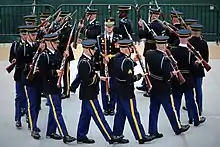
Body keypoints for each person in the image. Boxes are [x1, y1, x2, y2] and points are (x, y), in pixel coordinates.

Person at [76, 39, 125, 144]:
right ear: (87, 49)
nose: (94, 51)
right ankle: (110, 137)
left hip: (89, 94)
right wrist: (97, 77)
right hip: (89, 94)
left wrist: (99, 77)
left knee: (85, 115)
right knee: (99, 117)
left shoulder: (89, 59)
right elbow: (87, 81)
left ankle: (81, 135)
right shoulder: (84, 63)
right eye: (93, 49)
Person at [145, 35, 190, 138]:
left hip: (153, 85)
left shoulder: (149, 54)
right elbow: (167, 76)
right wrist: (173, 73)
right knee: (170, 109)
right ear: (165, 45)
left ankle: (153, 131)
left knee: (153, 109)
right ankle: (177, 128)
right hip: (164, 87)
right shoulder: (164, 59)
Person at [112, 39, 155, 144]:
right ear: (127, 48)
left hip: (119, 89)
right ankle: (141, 136)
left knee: (120, 113)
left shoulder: (116, 58)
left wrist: (133, 61)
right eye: (130, 48)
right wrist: (140, 76)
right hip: (127, 90)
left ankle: (117, 134)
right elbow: (129, 78)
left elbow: (121, 70)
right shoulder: (126, 61)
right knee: (133, 114)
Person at [38, 33, 76, 143]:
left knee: (53, 110)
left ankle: (50, 132)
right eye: (55, 42)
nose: (57, 44)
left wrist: (65, 56)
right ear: (49, 43)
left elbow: (61, 64)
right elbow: (42, 73)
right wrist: (54, 72)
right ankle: (65, 134)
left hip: (57, 86)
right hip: (50, 87)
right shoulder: (44, 56)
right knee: (57, 111)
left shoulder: (57, 52)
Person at [171, 29, 206, 126]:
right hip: (188, 78)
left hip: (177, 79)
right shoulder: (190, 52)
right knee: (191, 100)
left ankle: (177, 121)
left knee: (176, 102)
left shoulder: (173, 50)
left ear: (179, 38)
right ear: (188, 38)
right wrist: (197, 64)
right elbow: (193, 69)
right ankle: (195, 119)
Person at [16, 25, 41, 139]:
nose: (35, 37)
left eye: (36, 34)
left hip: (37, 79)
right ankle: (33, 126)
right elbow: (19, 64)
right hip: (27, 79)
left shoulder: (37, 47)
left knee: (37, 105)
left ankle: (34, 121)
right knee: (32, 104)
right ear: (28, 35)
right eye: (33, 35)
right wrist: (29, 66)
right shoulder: (23, 48)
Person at [70, 9, 101, 93]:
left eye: (89, 15)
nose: (87, 17)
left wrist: (82, 28)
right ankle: (73, 86)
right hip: (87, 49)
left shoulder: (96, 24)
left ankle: (74, 86)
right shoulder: (90, 24)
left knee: (90, 68)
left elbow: (91, 34)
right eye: (87, 15)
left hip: (92, 50)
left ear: (93, 15)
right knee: (83, 68)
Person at [137, 8, 165, 97]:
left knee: (149, 70)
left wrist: (141, 27)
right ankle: (145, 84)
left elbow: (141, 35)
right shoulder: (161, 25)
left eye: (154, 14)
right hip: (157, 49)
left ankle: (150, 88)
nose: (154, 16)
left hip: (150, 49)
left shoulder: (152, 25)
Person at [98, 17, 122, 116]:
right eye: (107, 27)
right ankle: (105, 107)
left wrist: (110, 57)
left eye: (110, 27)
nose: (109, 29)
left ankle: (112, 107)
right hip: (104, 65)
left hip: (114, 65)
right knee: (104, 87)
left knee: (114, 86)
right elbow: (98, 50)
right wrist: (103, 57)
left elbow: (119, 52)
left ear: (113, 27)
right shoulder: (100, 38)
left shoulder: (118, 37)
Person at [188, 24, 209, 117]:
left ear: (191, 31)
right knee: (198, 91)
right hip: (199, 70)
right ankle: (199, 109)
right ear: (199, 32)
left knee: (189, 92)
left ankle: (191, 111)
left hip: (189, 70)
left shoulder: (187, 42)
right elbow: (206, 59)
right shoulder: (204, 43)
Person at [9, 26, 27, 128]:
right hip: (19, 74)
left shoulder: (31, 46)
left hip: (28, 75)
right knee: (19, 97)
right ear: (20, 34)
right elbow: (11, 57)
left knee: (28, 97)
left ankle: (27, 114)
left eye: (26, 34)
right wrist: (13, 61)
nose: (24, 36)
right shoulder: (15, 45)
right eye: (23, 34)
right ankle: (18, 118)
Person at [57, 11, 75, 99]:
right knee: (58, 71)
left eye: (62, 18)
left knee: (65, 73)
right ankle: (58, 88)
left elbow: (69, 39)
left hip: (65, 50)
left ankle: (66, 91)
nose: (60, 20)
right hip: (58, 51)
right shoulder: (58, 27)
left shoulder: (69, 28)